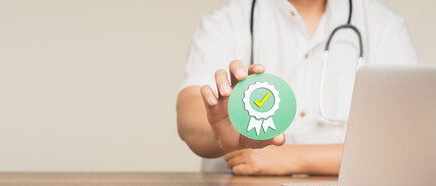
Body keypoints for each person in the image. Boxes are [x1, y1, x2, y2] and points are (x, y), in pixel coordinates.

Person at [176, 0, 420, 175]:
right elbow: (190, 113)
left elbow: (407, 144)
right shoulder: (226, 22)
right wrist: (218, 135)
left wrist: (290, 157)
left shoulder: (386, 27)